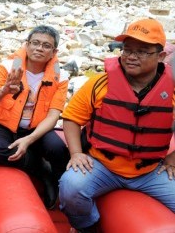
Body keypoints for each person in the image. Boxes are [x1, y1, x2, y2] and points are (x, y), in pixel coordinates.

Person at [59, 18, 175, 232]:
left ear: (160, 56)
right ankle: (88, 227)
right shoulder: (99, 83)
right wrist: (76, 153)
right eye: (127, 49)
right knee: (70, 187)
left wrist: (172, 159)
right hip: (103, 166)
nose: (131, 56)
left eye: (142, 51)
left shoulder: (172, 91)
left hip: (150, 170)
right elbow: (72, 118)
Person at [0, 25, 70, 209]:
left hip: (35, 129)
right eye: (35, 43)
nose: (39, 48)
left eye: (46, 46)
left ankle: (62, 186)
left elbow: (54, 115)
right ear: (27, 45)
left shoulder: (61, 77)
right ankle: (41, 170)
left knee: (57, 148)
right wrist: (4, 90)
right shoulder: (8, 67)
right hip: (5, 126)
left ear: (54, 52)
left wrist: (29, 140)